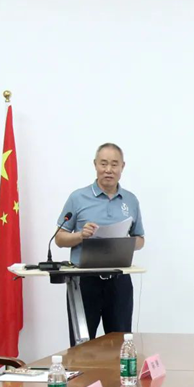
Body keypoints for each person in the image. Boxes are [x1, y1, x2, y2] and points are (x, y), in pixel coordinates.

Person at [55, 143, 145, 346]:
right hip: (84, 282)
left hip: (119, 281)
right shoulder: (78, 198)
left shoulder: (131, 200)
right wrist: (81, 235)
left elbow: (140, 239)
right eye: (103, 164)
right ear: (95, 165)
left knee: (121, 345)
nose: (108, 169)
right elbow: (59, 238)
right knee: (82, 348)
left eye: (114, 164)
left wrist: (125, 242)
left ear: (122, 166)